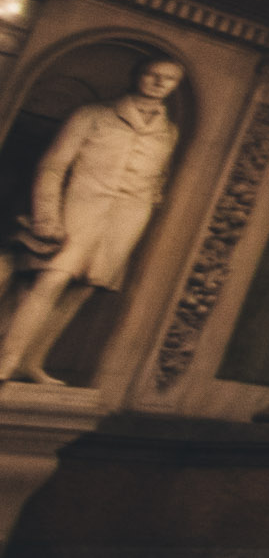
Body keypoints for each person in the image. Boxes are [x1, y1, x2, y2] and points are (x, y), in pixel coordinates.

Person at [0, 55, 183, 385]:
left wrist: (150, 199)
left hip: (128, 215)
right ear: (137, 74)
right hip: (80, 207)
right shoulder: (93, 115)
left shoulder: (168, 131)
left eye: (168, 79)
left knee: (82, 288)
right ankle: (6, 360)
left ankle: (32, 361)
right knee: (52, 279)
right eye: (152, 74)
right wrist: (46, 216)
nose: (158, 82)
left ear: (175, 86)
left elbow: (159, 178)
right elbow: (53, 166)